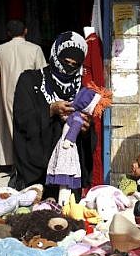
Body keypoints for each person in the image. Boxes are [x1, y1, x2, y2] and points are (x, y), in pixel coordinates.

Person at [11, 31, 93, 201]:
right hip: (35, 173)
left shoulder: (82, 90)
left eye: (74, 64)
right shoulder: (30, 80)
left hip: (67, 175)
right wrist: (50, 110)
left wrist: (85, 128)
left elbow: (89, 138)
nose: (68, 67)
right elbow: (22, 120)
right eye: (65, 62)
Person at [0, 20, 47, 167]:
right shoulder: (35, 49)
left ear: (9, 33)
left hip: (9, 93)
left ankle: (18, 164)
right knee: (32, 127)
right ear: (26, 31)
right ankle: (29, 164)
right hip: (31, 94)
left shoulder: (0, 50)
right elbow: (43, 73)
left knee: (13, 128)